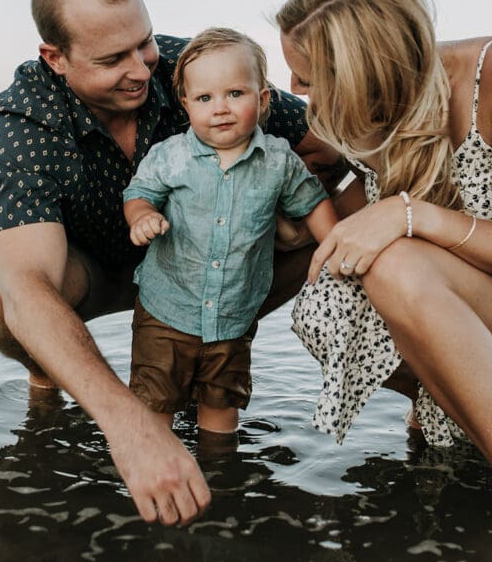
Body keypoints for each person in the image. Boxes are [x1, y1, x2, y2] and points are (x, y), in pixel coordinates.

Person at [0, 0, 341, 527]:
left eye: (142, 43)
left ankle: (206, 360)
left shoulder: (191, 67)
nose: (143, 70)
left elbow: (331, 141)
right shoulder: (24, 120)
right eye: (112, 59)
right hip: (86, 271)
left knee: (327, 227)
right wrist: (130, 428)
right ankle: (48, 370)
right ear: (56, 58)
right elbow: (27, 285)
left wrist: (298, 200)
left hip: (197, 265)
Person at [276, 0, 492, 511]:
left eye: (307, 79)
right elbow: (368, 211)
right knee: (323, 297)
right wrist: (314, 200)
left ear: (363, 71)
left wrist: (410, 214)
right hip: (437, 283)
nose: (295, 89)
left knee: (394, 263)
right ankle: (445, 403)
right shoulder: (361, 112)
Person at [123, 28, 338, 437]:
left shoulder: (278, 161)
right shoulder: (171, 156)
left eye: (235, 94)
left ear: (262, 99)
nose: (220, 108)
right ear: (186, 105)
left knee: (222, 407)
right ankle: (156, 475)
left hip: (234, 317)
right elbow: (139, 193)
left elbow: (312, 202)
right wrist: (141, 217)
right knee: (154, 406)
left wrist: (336, 248)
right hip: (166, 310)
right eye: (205, 98)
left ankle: (222, 483)